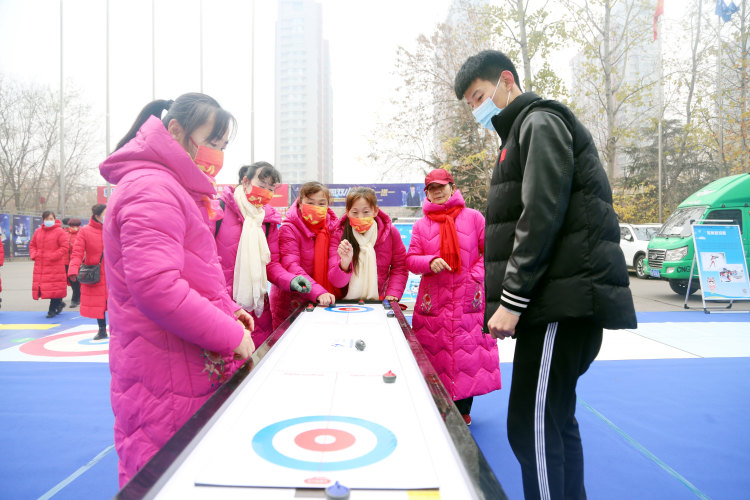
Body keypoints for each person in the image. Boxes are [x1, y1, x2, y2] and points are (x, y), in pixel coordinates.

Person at [454, 50, 636, 500]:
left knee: (529, 427)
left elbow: (542, 212)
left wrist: (512, 300)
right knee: (554, 420)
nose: (477, 109)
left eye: (479, 96)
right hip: (560, 299)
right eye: (470, 104)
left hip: (559, 302)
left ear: (505, 81)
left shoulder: (538, 122)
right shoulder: (517, 134)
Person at [99, 93, 255, 486]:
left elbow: (193, 271)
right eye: (211, 142)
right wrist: (232, 334)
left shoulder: (174, 188)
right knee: (165, 476)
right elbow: (158, 287)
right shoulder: (152, 188)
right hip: (163, 366)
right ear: (174, 130)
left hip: (181, 357)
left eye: (222, 147)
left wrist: (225, 309)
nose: (216, 155)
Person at [406, 168, 501, 426]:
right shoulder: (420, 225)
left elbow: (490, 253)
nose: (437, 192)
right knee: (434, 352)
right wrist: (429, 262)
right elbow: (411, 260)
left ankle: (462, 409)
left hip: (468, 298)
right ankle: (438, 406)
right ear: (427, 193)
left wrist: (474, 276)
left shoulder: (474, 218)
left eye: (441, 186)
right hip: (434, 300)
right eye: (431, 189)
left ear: (452, 186)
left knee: (467, 355)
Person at [215, 162, 311, 347]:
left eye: (271, 188)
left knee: (258, 363)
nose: (265, 192)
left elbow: (272, 265)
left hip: (257, 309)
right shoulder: (219, 209)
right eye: (262, 185)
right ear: (246, 182)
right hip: (222, 305)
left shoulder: (266, 222)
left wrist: (291, 280)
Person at [274, 181, 339, 326]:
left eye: (321, 203)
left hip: (324, 301)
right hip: (292, 303)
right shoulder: (288, 229)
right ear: (300, 203)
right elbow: (291, 265)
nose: (316, 207)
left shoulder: (333, 229)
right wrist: (318, 292)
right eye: (310, 202)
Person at [329, 187, 408, 302]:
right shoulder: (338, 235)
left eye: (366, 212)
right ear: (347, 212)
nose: (360, 217)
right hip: (344, 303)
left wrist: (393, 293)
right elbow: (336, 282)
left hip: (379, 301)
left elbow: (400, 267)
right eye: (355, 212)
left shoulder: (390, 233)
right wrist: (344, 264)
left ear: (375, 211)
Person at [68, 205, 108, 340]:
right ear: (97, 216)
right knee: (99, 304)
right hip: (96, 273)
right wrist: (73, 269)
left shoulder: (114, 228)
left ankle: (117, 330)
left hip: (114, 273)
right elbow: (77, 252)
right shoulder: (85, 231)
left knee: (116, 304)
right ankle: (102, 330)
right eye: (105, 213)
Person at [30, 211, 69, 318]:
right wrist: (34, 255)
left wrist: (53, 256)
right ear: (43, 220)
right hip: (41, 265)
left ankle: (52, 309)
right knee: (47, 288)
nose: (49, 221)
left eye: (51, 218)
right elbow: (32, 245)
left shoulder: (60, 232)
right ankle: (59, 303)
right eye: (47, 219)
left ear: (55, 219)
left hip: (55, 265)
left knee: (54, 287)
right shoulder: (38, 231)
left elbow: (65, 247)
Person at [65, 218, 82, 307]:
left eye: (76, 226)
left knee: (76, 281)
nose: (74, 228)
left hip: (77, 262)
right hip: (66, 262)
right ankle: (78, 296)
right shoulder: (65, 234)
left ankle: (75, 299)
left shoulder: (81, 235)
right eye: (72, 226)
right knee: (72, 282)